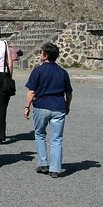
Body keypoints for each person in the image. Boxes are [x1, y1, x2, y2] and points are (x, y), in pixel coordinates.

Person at [24, 43, 73, 178]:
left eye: (41, 53)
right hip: (58, 106)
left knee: (40, 134)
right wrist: (67, 105)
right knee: (57, 139)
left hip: (41, 106)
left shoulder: (38, 71)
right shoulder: (63, 72)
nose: (40, 55)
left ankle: (43, 163)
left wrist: (27, 107)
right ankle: (55, 168)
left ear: (45, 56)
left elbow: (31, 92)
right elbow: (68, 93)